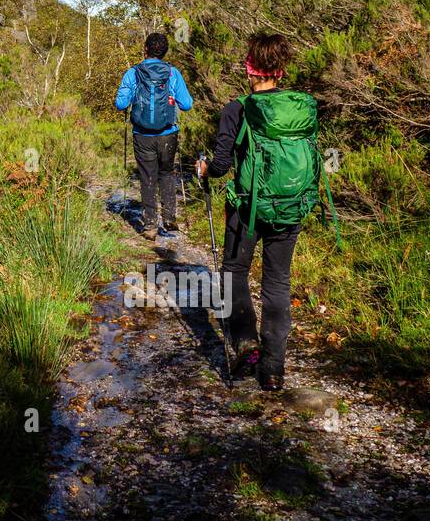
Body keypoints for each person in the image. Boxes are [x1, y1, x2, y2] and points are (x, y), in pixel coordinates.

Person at [196, 33, 324, 391]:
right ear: (280, 71)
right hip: (290, 206)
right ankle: (272, 370)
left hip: (247, 207)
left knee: (234, 272)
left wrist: (204, 170)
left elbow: (221, 165)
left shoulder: (237, 108)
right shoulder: (300, 108)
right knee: (278, 281)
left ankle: (246, 345)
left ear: (250, 68)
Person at [114, 32, 193, 241]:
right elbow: (187, 104)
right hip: (168, 134)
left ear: (145, 49)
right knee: (166, 173)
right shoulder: (173, 73)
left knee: (147, 176)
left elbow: (120, 103)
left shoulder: (133, 73)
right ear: (164, 51)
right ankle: (169, 218)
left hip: (142, 135)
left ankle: (149, 225)